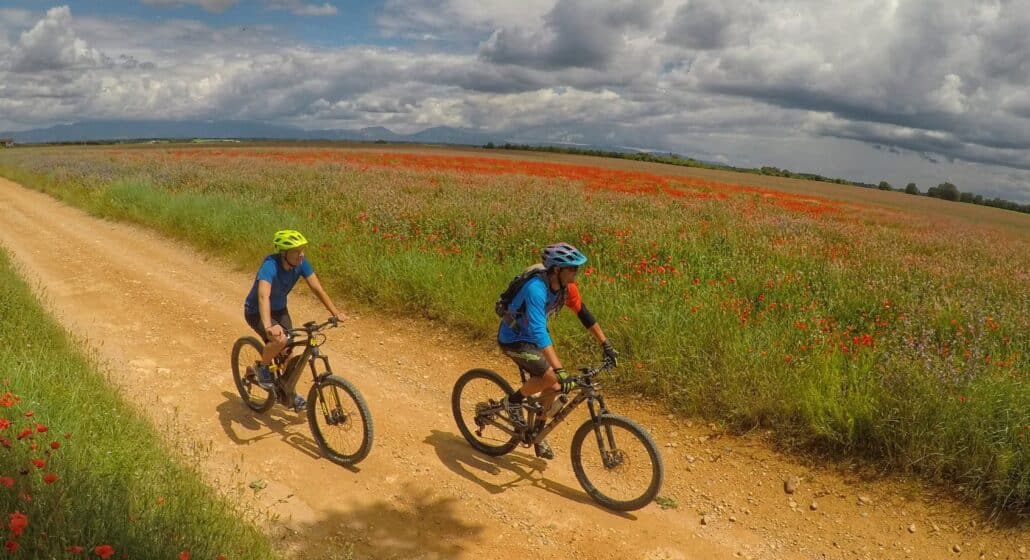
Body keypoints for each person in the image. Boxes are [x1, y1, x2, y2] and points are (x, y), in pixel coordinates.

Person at [496, 242, 619, 459]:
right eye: (572, 269)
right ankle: (512, 402)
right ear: (557, 270)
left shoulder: (567, 287)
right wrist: (559, 368)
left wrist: (605, 344)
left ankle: (538, 434)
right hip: (514, 339)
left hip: (532, 340)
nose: (576, 273)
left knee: (554, 386)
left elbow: (584, 314)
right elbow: (539, 331)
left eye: (576, 268)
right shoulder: (536, 289)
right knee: (552, 378)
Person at [243, 229, 345, 411]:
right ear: (284, 253)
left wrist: (335, 312)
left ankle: (287, 392)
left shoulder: (301, 264)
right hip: (257, 312)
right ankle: (262, 367)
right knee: (280, 340)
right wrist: (268, 327)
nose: (301, 255)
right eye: (296, 251)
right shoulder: (270, 266)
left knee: (288, 352)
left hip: (280, 310)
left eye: (302, 250)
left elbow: (317, 288)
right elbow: (263, 297)